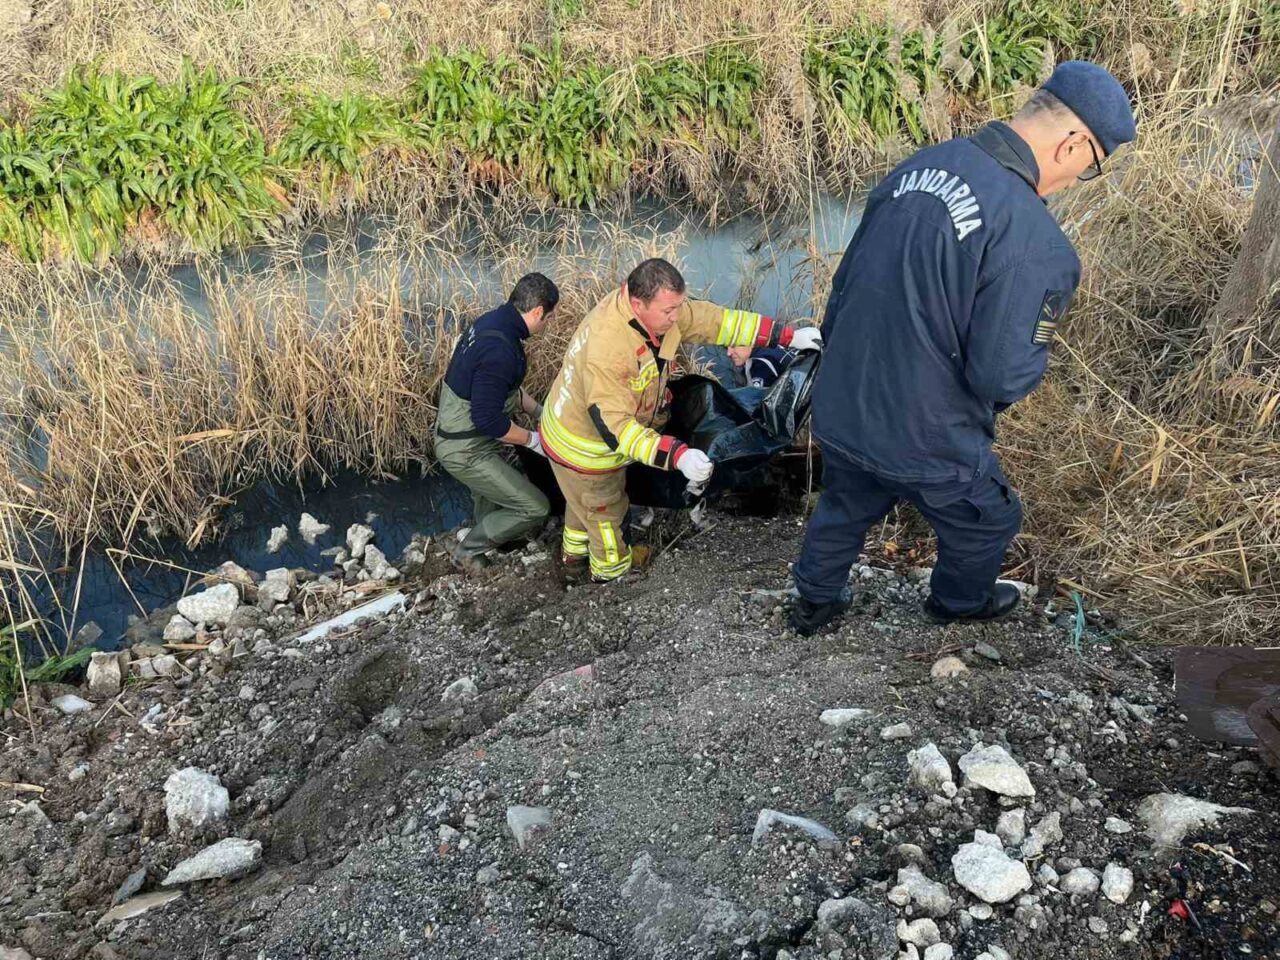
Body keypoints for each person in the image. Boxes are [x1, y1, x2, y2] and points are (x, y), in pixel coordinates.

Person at [789, 61, 1137, 635]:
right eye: (1090, 168)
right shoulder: (1036, 241)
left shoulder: (919, 166)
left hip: (845, 399)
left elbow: (845, 286)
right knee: (989, 518)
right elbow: (1001, 375)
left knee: (847, 498)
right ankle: (956, 603)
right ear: (1073, 143)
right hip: (924, 428)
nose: (1078, 181)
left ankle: (814, 601)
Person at [540, 258, 823, 582]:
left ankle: (572, 558)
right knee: (607, 512)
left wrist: (785, 336)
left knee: (581, 504)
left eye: (678, 307)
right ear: (637, 303)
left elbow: (719, 322)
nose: (677, 317)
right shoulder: (610, 350)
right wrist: (678, 455)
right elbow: (617, 430)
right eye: (669, 311)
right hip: (585, 448)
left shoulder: (657, 314)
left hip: (566, 428)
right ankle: (611, 577)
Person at [434, 273, 559, 569]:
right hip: (464, 448)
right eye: (548, 317)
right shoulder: (500, 349)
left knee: (491, 493)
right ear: (538, 311)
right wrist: (535, 441)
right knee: (535, 507)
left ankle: (492, 535)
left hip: (466, 435)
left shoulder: (494, 323)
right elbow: (490, 421)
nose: (547, 324)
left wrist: (542, 414)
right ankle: (467, 551)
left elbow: (506, 389)